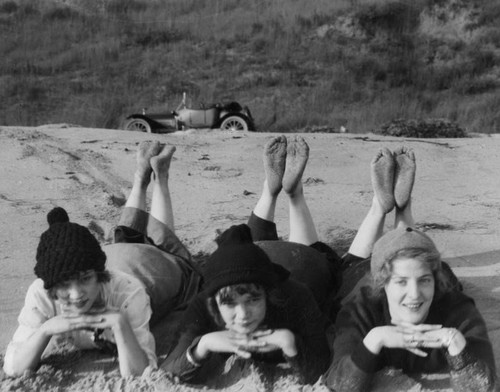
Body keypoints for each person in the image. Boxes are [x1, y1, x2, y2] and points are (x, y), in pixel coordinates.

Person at [3, 141, 202, 377]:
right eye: (65, 284)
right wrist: (46, 329)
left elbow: (140, 373)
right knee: (124, 237)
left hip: (151, 268)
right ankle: (141, 176)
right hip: (115, 254)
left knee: (164, 244)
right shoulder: (41, 292)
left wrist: (119, 323)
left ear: (100, 275)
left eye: (85, 279)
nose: (76, 294)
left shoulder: (128, 292)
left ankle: (160, 177)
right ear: (50, 287)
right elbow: (13, 366)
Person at [161, 135, 342, 384]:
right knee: (243, 247)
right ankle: (275, 190)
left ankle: (292, 194)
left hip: (301, 265)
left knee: (308, 253)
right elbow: (167, 370)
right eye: (230, 304)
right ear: (214, 302)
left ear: (267, 294)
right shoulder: (205, 302)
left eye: (253, 299)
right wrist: (202, 345)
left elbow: (320, 368)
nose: (243, 314)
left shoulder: (296, 296)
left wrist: (289, 343)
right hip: (252, 259)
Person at [324, 147, 497, 392]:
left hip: (431, 267)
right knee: (352, 264)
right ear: (383, 285)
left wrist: (457, 345)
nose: (415, 294)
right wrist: (376, 339)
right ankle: (384, 208)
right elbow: (339, 384)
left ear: (434, 282)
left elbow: (483, 386)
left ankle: (391, 208)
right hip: (363, 273)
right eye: (401, 283)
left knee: (413, 254)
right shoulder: (360, 309)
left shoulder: (457, 307)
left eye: (424, 281)